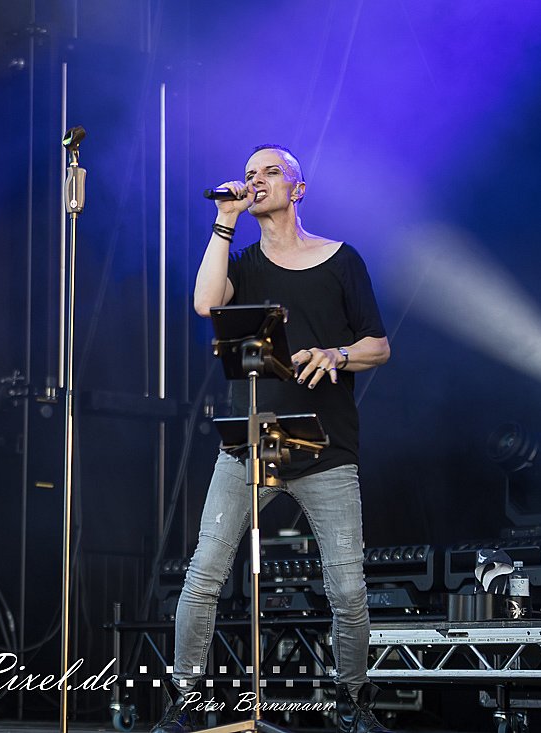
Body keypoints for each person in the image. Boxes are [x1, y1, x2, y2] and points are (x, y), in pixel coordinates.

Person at [151, 145, 392, 733]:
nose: (255, 180)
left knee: (347, 587)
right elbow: (205, 303)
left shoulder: (341, 260)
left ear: (298, 189)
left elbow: (379, 346)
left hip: (326, 449)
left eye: (270, 172)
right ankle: (185, 702)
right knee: (204, 573)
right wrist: (224, 219)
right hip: (251, 444)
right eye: (249, 173)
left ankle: (353, 704)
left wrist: (337, 353)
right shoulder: (244, 263)